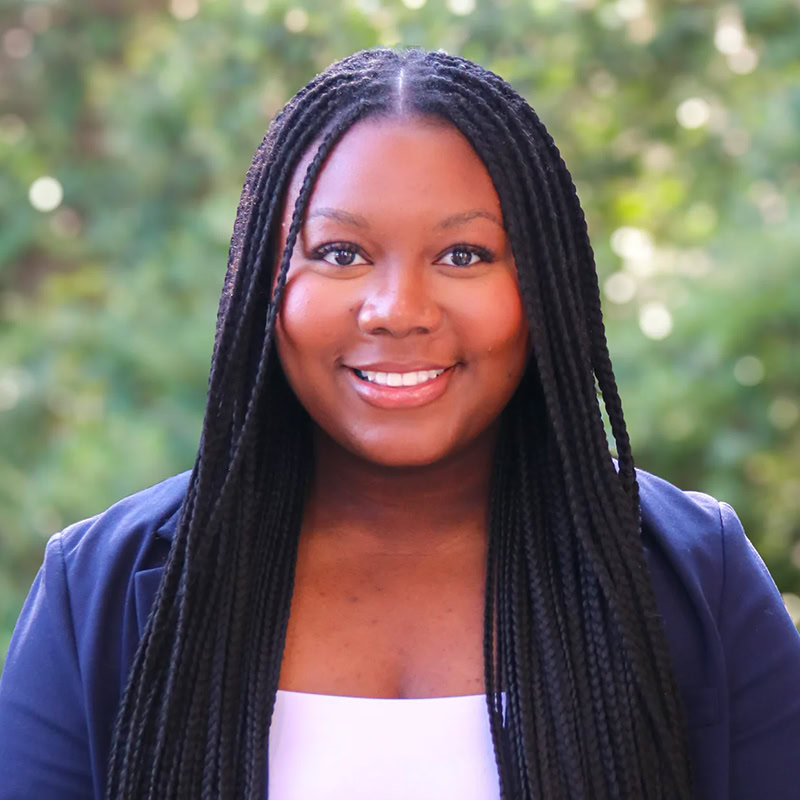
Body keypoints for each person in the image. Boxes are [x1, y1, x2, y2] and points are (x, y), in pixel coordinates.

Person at [1, 46, 798, 800]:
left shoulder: (698, 576)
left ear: (544, 284)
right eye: (340, 253)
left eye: (464, 256)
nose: (398, 310)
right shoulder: (97, 588)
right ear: (263, 284)